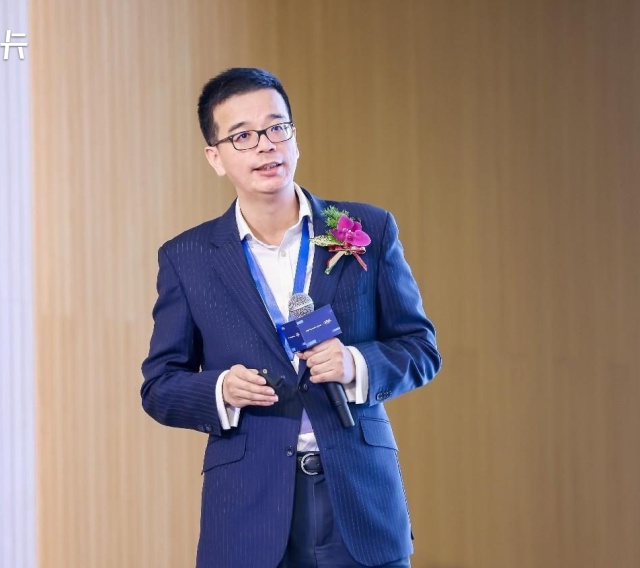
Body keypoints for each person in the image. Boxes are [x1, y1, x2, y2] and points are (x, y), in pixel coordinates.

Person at [141, 67, 441, 568]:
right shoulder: (187, 257)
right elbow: (159, 387)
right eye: (243, 136)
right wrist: (221, 389)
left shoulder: (366, 227)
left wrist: (354, 364)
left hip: (360, 501)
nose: (266, 145)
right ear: (215, 157)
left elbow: (420, 348)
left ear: (294, 137)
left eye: (276, 127)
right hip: (248, 510)